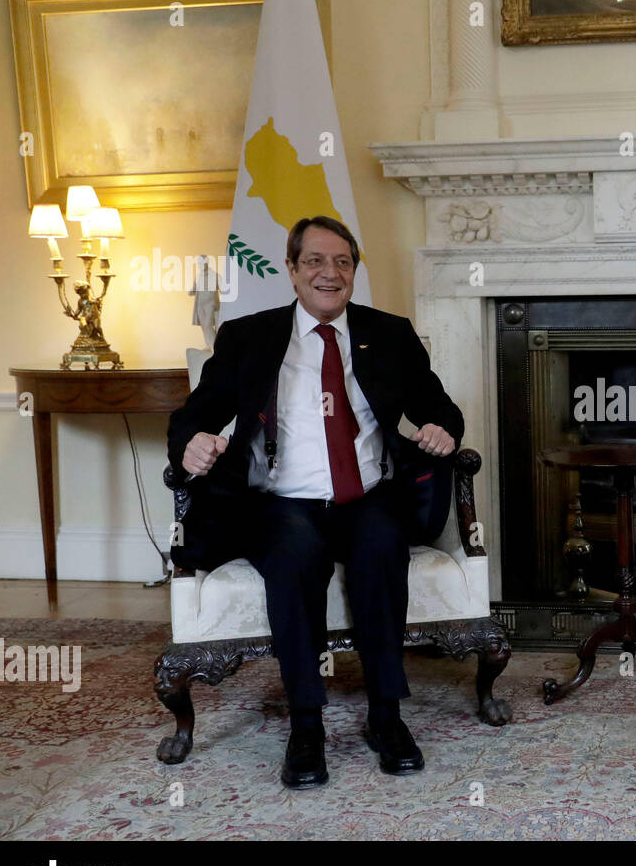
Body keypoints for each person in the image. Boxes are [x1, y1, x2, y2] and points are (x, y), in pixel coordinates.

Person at [167, 215, 463, 789]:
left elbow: (439, 406)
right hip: (281, 501)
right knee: (296, 555)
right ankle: (306, 725)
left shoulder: (390, 332)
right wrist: (193, 444)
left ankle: (387, 716)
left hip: (366, 495)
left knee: (382, 546)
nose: (331, 273)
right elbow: (193, 417)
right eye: (316, 262)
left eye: (343, 262)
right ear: (293, 270)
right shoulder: (249, 337)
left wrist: (442, 429)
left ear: (355, 270)